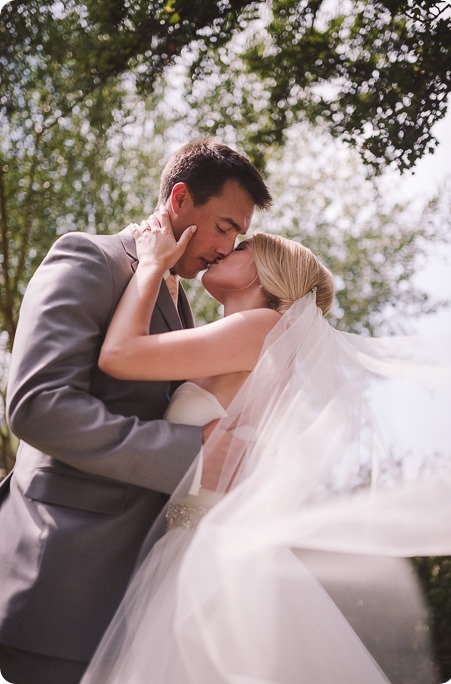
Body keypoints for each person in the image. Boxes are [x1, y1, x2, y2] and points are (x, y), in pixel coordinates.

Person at [81, 209, 451, 683]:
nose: (222, 248)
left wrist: (152, 265)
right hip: (190, 548)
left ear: (266, 272)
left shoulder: (257, 330)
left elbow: (120, 355)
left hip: (205, 564)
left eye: (240, 247)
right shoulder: (247, 340)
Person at [0, 140, 272, 684]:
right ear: (179, 199)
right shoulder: (91, 260)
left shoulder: (185, 302)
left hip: (140, 597)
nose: (226, 247)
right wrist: (192, 455)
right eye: (223, 226)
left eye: (236, 236)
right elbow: (37, 405)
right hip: (65, 572)